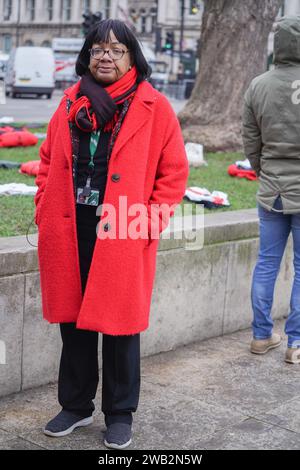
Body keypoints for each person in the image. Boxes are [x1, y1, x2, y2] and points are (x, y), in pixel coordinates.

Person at [34, 19, 189, 449]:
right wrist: (43, 205)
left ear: (131, 57)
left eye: (116, 49)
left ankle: (120, 413)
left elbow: (173, 174)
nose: (106, 56)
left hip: (123, 228)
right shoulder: (69, 105)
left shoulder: (153, 107)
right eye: (99, 49)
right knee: (74, 322)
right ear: (87, 56)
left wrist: (148, 223)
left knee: (120, 328)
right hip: (71, 226)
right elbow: (47, 160)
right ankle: (76, 405)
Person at [242, 16, 300, 364]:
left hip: (273, 189)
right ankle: (295, 343)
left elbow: (251, 141)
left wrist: (264, 172)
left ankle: (261, 336)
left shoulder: (258, 85)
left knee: (266, 264)